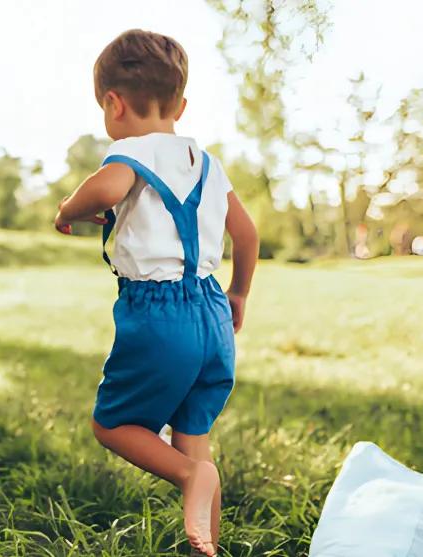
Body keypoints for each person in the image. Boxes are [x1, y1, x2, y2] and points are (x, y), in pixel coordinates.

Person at [54, 29, 259, 556]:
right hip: (212, 310)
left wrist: (67, 211)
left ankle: (191, 478)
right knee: (193, 433)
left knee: (113, 424)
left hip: (159, 314)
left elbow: (106, 189)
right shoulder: (208, 164)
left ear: (113, 103)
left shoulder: (128, 153)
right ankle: (207, 545)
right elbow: (247, 234)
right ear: (181, 105)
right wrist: (238, 295)